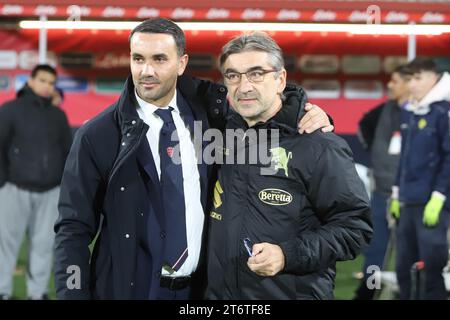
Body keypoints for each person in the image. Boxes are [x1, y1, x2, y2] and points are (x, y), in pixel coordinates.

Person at [53, 18, 332, 300]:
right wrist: (71, 294)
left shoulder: (211, 116)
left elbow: (266, 118)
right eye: (138, 59)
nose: (146, 70)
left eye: (159, 59)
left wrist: (308, 115)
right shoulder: (98, 135)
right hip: (130, 289)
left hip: (199, 291)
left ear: (182, 63)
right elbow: (72, 228)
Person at [205, 32, 372, 300]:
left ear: (280, 79)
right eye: (233, 75)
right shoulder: (216, 135)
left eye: (256, 73)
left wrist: (287, 255)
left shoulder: (319, 146)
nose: (243, 86)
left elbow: (355, 228)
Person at [0, 64, 72, 300]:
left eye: (51, 83)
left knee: (43, 245)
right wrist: (3, 182)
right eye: (42, 80)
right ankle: (2, 290)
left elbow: (66, 152)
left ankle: (37, 292)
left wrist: (61, 185)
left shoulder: (59, 116)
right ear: (30, 81)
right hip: (14, 188)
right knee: (5, 245)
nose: (47, 86)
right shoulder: (10, 110)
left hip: (50, 191)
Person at [390, 57, 450, 300]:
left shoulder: (443, 112)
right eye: (410, 78)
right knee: (405, 271)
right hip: (407, 202)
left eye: (418, 78)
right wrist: (396, 192)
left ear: (434, 78)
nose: (412, 84)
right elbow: (403, 157)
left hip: (431, 205)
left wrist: (439, 195)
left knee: (430, 271)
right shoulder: (411, 112)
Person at [353, 65, 411, 300]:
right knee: (377, 250)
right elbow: (363, 126)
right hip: (382, 193)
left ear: (410, 83)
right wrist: (377, 154)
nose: (390, 85)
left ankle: (407, 290)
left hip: (412, 197)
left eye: (395, 81)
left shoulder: (424, 114)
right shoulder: (383, 111)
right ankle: (369, 290)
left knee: (411, 250)